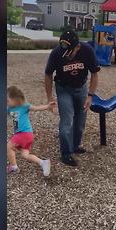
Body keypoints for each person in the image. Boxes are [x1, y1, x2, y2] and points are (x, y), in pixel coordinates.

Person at [44, 29, 100, 166]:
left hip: (81, 88)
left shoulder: (87, 51)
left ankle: (75, 146)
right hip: (64, 89)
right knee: (67, 121)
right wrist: (50, 97)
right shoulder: (57, 53)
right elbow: (48, 74)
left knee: (80, 122)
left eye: (70, 53)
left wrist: (90, 96)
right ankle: (66, 153)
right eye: (65, 53)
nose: (67, 56)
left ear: (78, 47)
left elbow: (94, 74)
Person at [7, 86, 54, 176]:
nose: (6, 102)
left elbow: (37, 108)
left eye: (7, 100)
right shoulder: (9, 109)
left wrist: (48, 106)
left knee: (9, 146)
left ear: (15, 99)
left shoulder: (24, 106)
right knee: (25, 155)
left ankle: (14, 167)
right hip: (25, 135)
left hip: (24, 133)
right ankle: (43, 163)